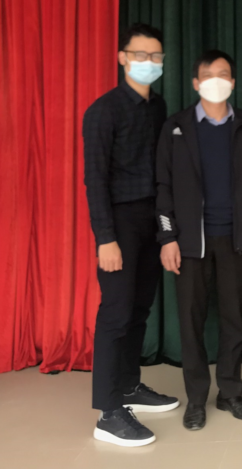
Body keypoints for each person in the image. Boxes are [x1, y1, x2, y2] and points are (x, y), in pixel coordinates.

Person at [155, 50, 242, 431]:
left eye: (224, 74)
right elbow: (163, 185)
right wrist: (167, 237)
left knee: (235, 320)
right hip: (190, 243)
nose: (216, 80)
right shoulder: (176, 127)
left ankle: (231, 392)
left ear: (233, 82)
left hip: (235, 238)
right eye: (208, 75)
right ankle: (196, 399)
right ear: (195, 83)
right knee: (191, 323)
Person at [82, 23, 179, 448]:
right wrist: (105, 238)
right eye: (140, 55)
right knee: (116, 312)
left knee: (140, 307)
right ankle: (108, 412)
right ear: (123, 58)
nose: (148, 63)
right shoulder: (103, 111)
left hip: (150, 218)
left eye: (155, 56)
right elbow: (95, 180)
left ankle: (128, 386)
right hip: (118, 222)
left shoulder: (158, 107)